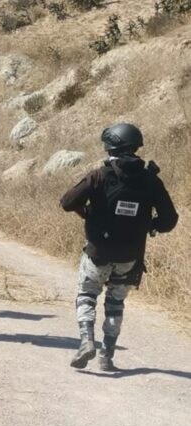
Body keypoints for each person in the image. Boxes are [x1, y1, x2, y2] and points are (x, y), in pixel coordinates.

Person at [61, 123, 178, 371]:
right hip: (130, 256)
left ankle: (86, 341)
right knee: (115, 303)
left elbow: (67, 202)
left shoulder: (99, 175)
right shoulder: (151, 180)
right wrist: (151, 225)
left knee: (87, 295)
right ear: (136, 146)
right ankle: (107, 356)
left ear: (110, 146)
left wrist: (86, 214)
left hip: (97, 253)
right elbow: (170, 220)